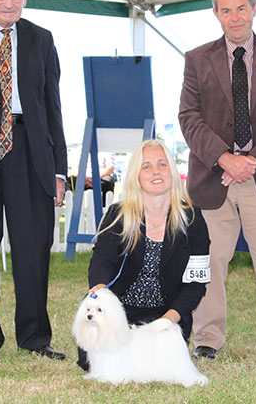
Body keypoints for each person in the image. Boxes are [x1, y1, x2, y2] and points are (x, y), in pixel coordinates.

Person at [0, 0, 67, 362]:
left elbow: (53, 107)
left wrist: (59, 170)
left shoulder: (41, 39)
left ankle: (35, 338)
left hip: (31, 152)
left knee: (33, 249)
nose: (9, 2)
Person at [179, 0, 256, 362]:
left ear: (255, 9)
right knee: (208, 263)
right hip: (212, 177)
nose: (235, 17)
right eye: (226, 10)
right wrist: (224, 157)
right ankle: (208, 337)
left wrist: (253, 159)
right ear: (215, 14)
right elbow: (188, 118)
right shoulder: (196, 58)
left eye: (241, 9)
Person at [77, 139, 210, 371]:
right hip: (118, 311)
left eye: (162, 164)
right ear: (136, 175)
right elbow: (102, 260)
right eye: (146, 166)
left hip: (164, 316)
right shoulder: (118, 214)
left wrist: (170, 319)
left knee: (160, 365)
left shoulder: (192, 219)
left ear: (172, 171)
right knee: (95, 363)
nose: (155, 172)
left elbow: (196, 283)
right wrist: (100, 295)